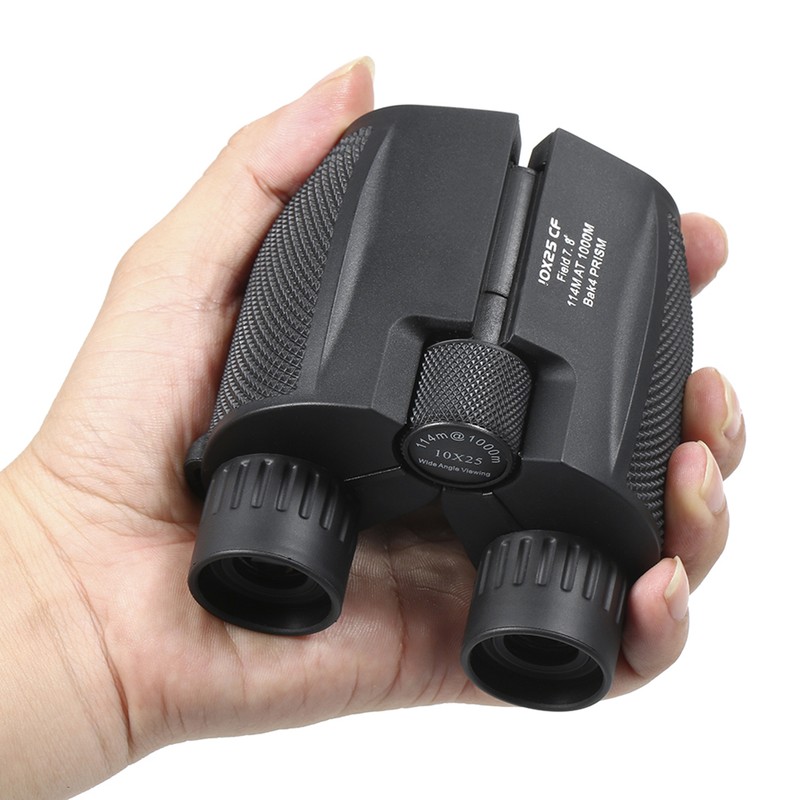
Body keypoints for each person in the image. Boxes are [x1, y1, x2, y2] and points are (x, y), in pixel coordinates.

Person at [0, 57, 745, 800]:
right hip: (570, 277)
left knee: (283, 485)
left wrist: (72, 622)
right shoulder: (619, 211)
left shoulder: (399, 152)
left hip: (334, 395)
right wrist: (84, 636)